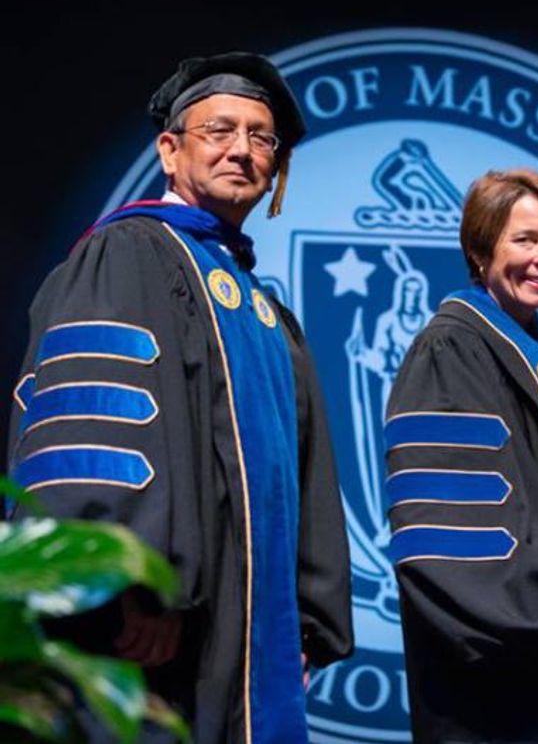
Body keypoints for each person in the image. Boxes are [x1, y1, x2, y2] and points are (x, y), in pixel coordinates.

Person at [6, 53, 354, 743]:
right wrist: (130, 584)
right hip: (163, 628)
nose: (243, 150)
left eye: (262, 138)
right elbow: (96, 431)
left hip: (251, 629)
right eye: (220, 130)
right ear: (171, 149)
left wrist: (305, 614)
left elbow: (304, 471)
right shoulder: (128, 254)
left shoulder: (263, 310)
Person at [383, 169, 538, 743]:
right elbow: (462, 526)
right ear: (479, 250)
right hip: (503, 669)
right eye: (524, 240)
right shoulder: (451, 349)